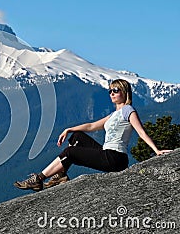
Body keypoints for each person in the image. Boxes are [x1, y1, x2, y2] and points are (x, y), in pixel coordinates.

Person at [14, 79, 173, 192]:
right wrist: (69, 129)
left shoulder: (128, 110)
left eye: (116, 90)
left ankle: (39, 179)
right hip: (107, 153)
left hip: (115, 158)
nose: (112, 93)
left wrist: (157, 150)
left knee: (70, 153)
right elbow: (91, 126)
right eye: (110, 90)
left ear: (125, 92)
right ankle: (60, 175)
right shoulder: (114, 114)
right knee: (77, 137)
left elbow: (141, 131)